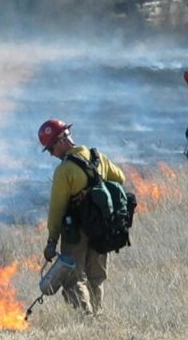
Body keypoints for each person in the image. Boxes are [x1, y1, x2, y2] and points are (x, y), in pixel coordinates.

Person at [39, 119, 126, 315]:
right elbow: (120, 177)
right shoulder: (98, 157)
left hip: (75, 232)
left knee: (73, 277)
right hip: (102, 227)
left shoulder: (64, 171)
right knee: (96, 276)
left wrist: (52, 240)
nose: (52, 154)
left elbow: (57, 209)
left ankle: (85, 320)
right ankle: (97, 315)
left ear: (61, 141)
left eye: (51, 149)